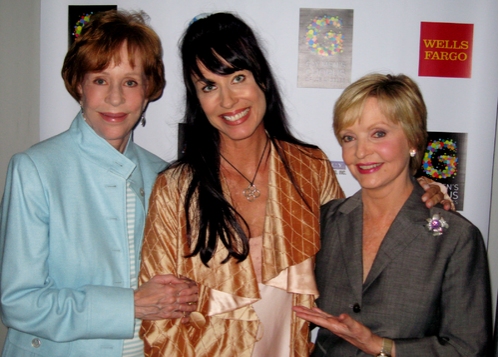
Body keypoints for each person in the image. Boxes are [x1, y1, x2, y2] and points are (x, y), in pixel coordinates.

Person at [138, 14, 449, 357]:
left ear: (262, 80)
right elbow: (159, 320)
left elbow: (358, 245)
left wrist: (415, 187)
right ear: (197, 98)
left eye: (237, 77)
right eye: (208, 86)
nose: (227, 101)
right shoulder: (175, 187)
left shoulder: (309, 167)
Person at [0, 10, 198, 357]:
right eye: (100, 79)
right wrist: (130, 305)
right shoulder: (35, 169)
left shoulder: (166, 176)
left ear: (148, 89)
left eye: (131, 82)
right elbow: (19, 303)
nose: (116, 98)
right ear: (79, 85)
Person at [293, 73, 492, 356]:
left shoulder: (454, 236)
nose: (361, 152)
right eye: (349, 138)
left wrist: (380, 346)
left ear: (412, 138)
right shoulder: (324, 221)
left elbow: (468, 347)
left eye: (379, 134)